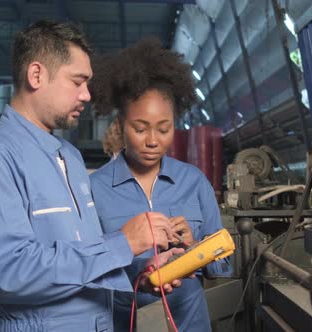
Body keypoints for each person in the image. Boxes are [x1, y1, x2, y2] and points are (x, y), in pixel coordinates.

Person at [0, 21, 183, 332]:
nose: (86, 94)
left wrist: (137, 273)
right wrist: (122, 243)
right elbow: (12, 273)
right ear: (36, 75)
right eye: (78, 81)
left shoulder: (69, 157)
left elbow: (82, 256)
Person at [89, 38, 233, 331]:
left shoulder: (194, 182)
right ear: (120, 124)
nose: (153, 140)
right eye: (140, 128)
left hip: (189, 324)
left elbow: (224, 268)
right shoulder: (94, 189)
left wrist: (195, 248)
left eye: (163, 128)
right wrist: (137, 271)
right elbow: (85, 270)